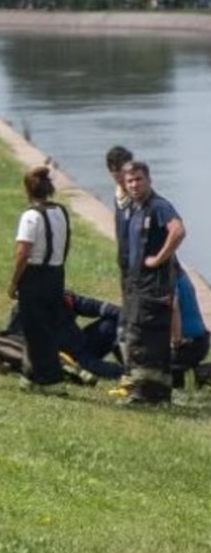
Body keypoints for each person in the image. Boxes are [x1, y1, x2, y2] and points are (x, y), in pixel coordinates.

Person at [118, 160, 186, 406]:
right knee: (139, 333)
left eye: (139, 179)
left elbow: (178, 231)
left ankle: (146, 394)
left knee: (145, 336)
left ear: (149, 180)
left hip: (154, 286)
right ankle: (151, 392)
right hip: (138, 284)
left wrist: (159, 258)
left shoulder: (159, 206)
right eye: (130, 181)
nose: (134, 185)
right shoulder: (135, 208)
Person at [7, 166, 70, 390]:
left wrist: (14, 282)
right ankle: (32, 374)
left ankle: (49, 378)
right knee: (49, 326)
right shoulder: (61, 212)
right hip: (56, 272)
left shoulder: (31, 216)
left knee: (35, 329)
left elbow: (23, 253)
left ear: (28, 190)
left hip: (35, 275)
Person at [172, 273, 209, 389]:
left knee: (156, 366)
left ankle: (205, 372)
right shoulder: (181, 275)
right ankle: (201, 372)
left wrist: (176, 339)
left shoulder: (166, 278)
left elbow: (173, 306)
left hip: (187, 342)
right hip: (201, 340)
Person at [105, 144, 133, 289]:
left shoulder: (141, 196)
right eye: (115, 170)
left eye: (124, 169)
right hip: (125, 261)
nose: (120, 175)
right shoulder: (118, 196)